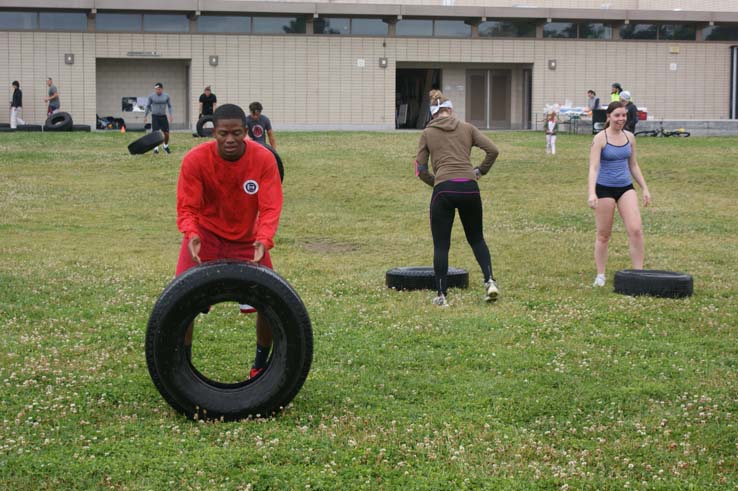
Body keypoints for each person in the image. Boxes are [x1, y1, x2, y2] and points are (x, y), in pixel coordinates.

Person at [176, 103, 283, 379]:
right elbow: (187, 207)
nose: (230, 139)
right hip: (205, 237)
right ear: (214, 133)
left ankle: (260, 366)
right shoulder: (195, 160)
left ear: (246, 131)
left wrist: (264, 238)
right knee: (182, 303)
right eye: (223, 133)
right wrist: (192, 233)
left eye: (237, 133)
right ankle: (181, 368)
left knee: (270, 301)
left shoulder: (263, 159)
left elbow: (270, 207)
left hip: (248, 240)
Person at [415, 90, 500, 307]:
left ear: (433, 114)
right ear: (450, 110)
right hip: (469, 187)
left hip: (443, 189)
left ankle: (442, 295)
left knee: (441, 245)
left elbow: (420, 168)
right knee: (477, 238)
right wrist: (479, 172)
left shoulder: (427, 133)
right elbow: (493, 150)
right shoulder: (467, 128)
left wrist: (437, 182)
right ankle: (490, 281)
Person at [587, 101, 651, 287]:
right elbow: (593, 167)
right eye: (617, 115)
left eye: (623, 115)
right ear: (609, 117)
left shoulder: (630, 137)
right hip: (604, 189)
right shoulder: (600, 138)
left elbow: (633, 165)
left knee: (636, 230)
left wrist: (644, 188)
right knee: (603, 234)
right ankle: (600, 275)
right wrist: (592, 193)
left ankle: (638, 274)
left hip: (625, 188)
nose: (621, 119)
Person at [144, 82, 174, 154]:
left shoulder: (166, 96)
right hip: (155, 116)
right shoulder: (152, 96)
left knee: (166, 133)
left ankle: (165, 146)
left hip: (163, 116)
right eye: (156, 89)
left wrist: (170, 115)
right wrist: (145, 116)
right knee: (155, 133)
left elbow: (169, 106)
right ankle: (156, 148)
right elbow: (148, 106)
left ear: (162, 89)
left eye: (159, 89)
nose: (157, 90)